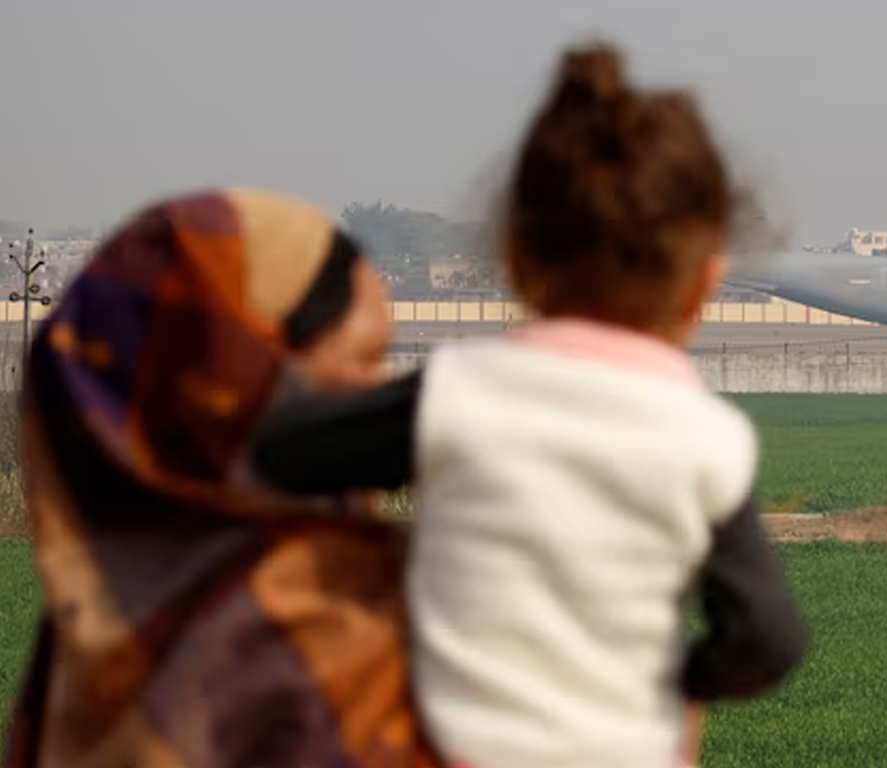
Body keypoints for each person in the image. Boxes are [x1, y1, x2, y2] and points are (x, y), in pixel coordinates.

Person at [250, 40, 807, 768]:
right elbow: (768, 640)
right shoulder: (708, 438)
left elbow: (281, 453)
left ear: (514, 258)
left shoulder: (456, 393)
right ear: (706, 284)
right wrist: (668, 684)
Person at [2, 189, 439, 767]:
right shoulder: (316, 625)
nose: (375, 387)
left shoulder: (89, 633)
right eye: (361, 359)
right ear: (243, 375)